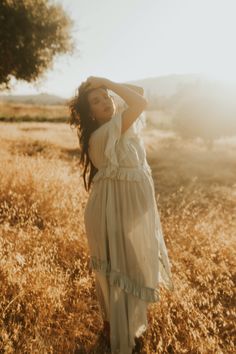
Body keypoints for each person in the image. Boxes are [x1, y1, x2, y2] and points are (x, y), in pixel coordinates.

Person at [68, 76, 174, 354]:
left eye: (106, 97)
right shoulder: (105, 133)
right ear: (89, 112)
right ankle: (122, 336)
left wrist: (103, 87)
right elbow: (140, 100)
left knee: (126, 271)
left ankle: (121, 333)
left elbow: (137, 93)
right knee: (124, 273)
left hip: (123, 210)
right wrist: (105, 82)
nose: (105, 102)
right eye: (96, 101)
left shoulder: (121, 127)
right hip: (110, 212)